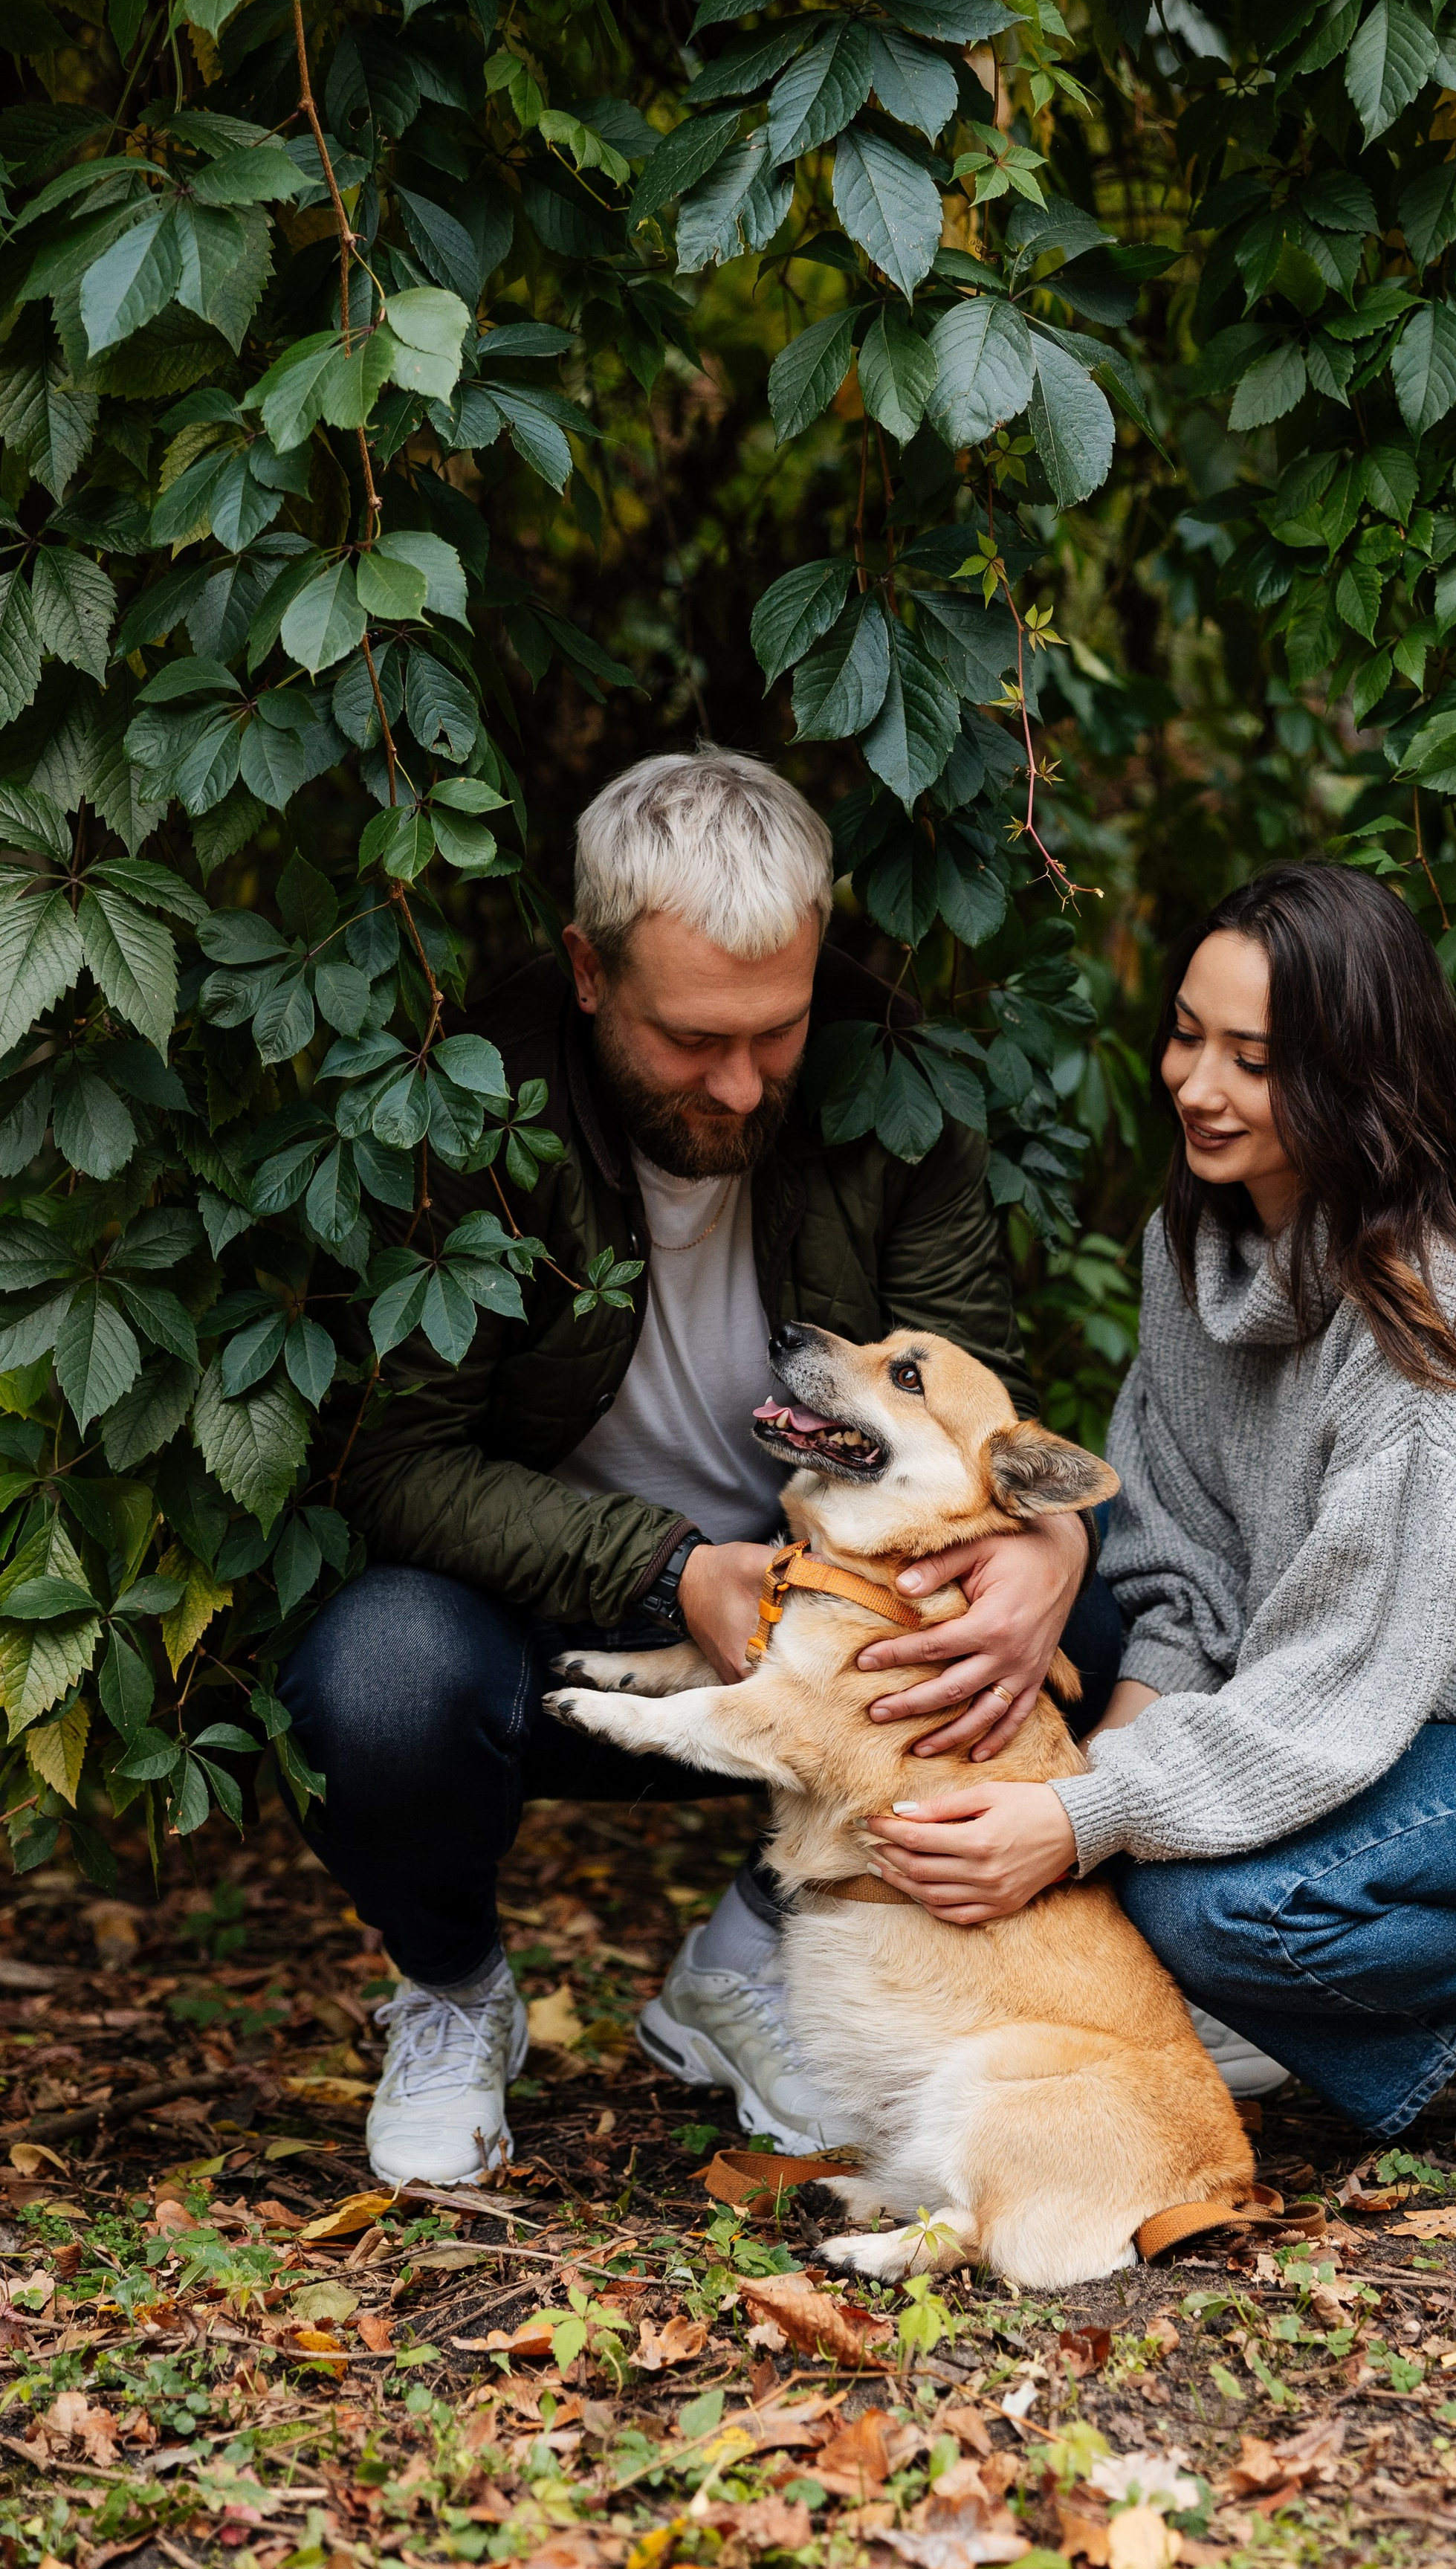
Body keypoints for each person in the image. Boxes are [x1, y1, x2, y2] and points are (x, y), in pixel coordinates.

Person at [285, 749, 1112, 2183]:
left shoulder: (886, 1083)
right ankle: (455, 1991)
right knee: (377, 1681)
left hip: (830, 1631)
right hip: (536, 1630)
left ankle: (752, 1952)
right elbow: (392, 1465)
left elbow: (968, 1399)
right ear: (589, 971)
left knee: (1079, 1627)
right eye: (691, 1040)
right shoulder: (470, 1112)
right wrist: (675, 1576)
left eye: (777, 1031)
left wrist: (1051, 1551)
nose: (740, 1084)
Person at [862, 862, 1456, 2172]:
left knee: (1210, 1907)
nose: (1198, 1085)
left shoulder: (1436, 1310)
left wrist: (1082, 1820)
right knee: (1155, 1874)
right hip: (1373, 1723)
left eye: (1253, 1059)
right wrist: (1095, 1810)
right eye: (1189, 1036)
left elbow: (1348, 1672)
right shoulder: (1192, 1253)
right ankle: (1297, 1990)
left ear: (1355, 1079)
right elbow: (1184, 1577)